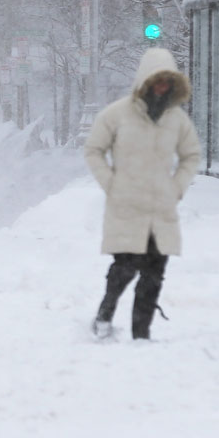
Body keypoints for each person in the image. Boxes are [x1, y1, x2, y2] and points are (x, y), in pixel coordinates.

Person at [85, 48, 201, 340]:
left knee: (154, 273)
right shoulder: (117, 114)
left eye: (167, 83)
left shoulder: (177, 120)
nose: (162, 88)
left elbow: (191, 156)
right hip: (126, 205)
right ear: (145, 81)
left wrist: (176, 187)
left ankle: (141, 333)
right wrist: (111, 183)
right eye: (157, 81)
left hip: (161, 209)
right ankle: (104, 314)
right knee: (125, 266)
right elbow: (93, 150)